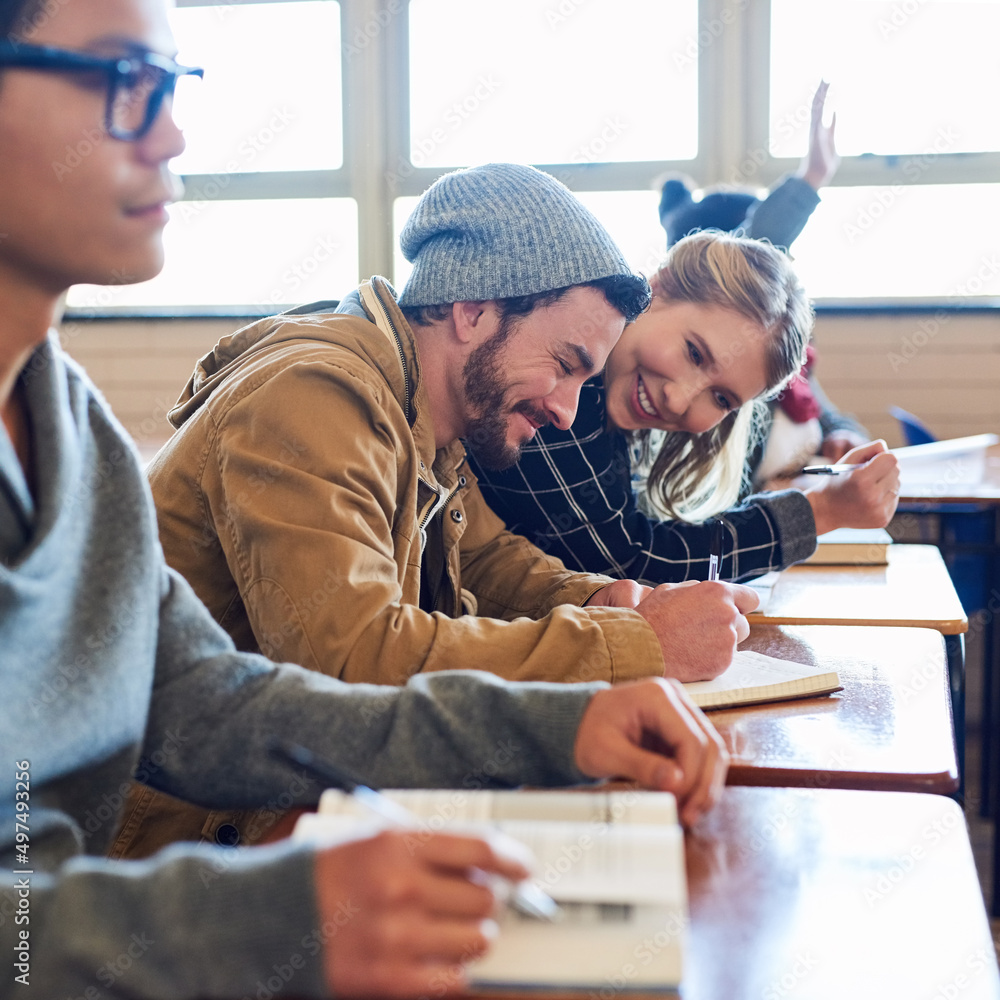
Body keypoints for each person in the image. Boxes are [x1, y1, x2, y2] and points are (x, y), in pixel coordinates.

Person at [0, 1, 733, 997]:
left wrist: (563, 725)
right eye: (124, 78)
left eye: (175, 87)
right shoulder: (317, 390)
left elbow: (212, 705)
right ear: (470, 308)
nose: (173, 133)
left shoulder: (72, 430)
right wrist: (272, 918)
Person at [111, 161, 758, 856]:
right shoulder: (314, 396)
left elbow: (487, 555)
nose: (569, 412)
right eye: (565, 364)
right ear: (474, 310)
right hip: (180, 842)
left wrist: (613, 599)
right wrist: (634, 646)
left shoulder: (424, 412)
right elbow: (353, 665)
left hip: (284, 805)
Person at [472, 230, 901, 585]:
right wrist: (823, 510)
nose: (678, 400)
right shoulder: (564, 391)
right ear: (657, 289)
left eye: (721, 399)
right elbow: (629, 563)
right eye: (694, 353)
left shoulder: (615, 386)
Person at [658, 80, 869, 481]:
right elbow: (756, 247)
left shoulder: (784, 354)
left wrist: (845, 434)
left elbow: (827, 413)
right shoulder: (725, 362)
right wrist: (809, 181)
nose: (779, 286)